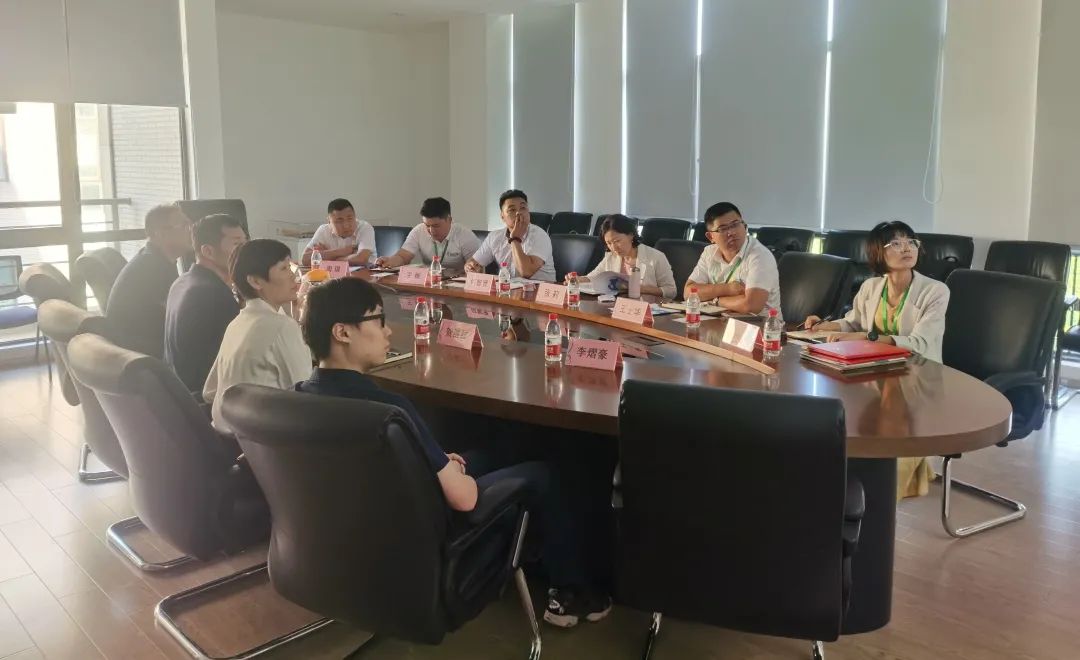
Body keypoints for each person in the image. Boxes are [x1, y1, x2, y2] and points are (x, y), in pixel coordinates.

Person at [296, 277, 610, 628]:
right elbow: (464, 499)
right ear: (342, 332)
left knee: (497, 449)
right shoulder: (390, 411)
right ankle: (574, 590)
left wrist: (440, 462)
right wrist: (454, 474)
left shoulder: (301, 398)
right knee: (545, 472)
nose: (388, 332)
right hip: (429, 535)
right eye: (378, 320)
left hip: (362, 530)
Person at [804, 220, 950, 498]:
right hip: (876, 375)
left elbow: (918, 344)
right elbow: (853, 322)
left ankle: (879, 497)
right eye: (896, 243)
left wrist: (867, 337)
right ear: (878, 253)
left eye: (911, 242)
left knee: (889, 447)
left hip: (915, 376)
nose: (906, 248)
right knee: (845, 431)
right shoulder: (872, 286)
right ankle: (847, 492)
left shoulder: (935, 291)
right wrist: (823, 325)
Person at [204, 239, 312, 433]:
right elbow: (308, 401)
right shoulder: (281, 327)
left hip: (225, 435)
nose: (293, 275)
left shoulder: (237, 323)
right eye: (284, 268)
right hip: (260, 442)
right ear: (255, 281)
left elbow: (210, 392)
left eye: (291, 267)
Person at [164, 214, 247, 394]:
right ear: (208, 251)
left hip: (182, 391)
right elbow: (242, 355)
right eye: (237, 244)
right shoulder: (213, 294)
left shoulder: (183, 281)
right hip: (210, 398)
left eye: (245, 242)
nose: (246, 251)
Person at [106, 203, 193, 358]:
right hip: (143, 355)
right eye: (184, 226)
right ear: (161, 234)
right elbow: (177, 317)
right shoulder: (152, 268)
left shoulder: (155, 259)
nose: (191, 230)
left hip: (142, 346)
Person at [684, 202, 781, 316]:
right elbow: (688, 293)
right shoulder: (709, 252)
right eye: (723, 229)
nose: (731, 232)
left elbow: (751, 306)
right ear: (711, 237)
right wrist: (728, 289)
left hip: (761, 325)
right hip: (720, 321)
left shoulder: (759, 255)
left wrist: (715, 301)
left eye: (735, 225)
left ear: (744, 226)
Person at [464, 189, 556, 282]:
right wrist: (470, 267)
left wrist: (515, 239)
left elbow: (526, 272)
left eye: (523, 208)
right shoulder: (494, 237)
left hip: (539, 289)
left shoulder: (540, 235)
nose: (518, 213)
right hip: (508, 289)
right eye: (512, 210)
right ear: (502, 216)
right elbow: (474, 262)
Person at [579, 214, 677, 299]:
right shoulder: (610, 256)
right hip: (616, 306)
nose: (614, 247)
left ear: (631, 235)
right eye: (609, 243)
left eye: (617, 241)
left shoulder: (656, 257)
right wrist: (576, 279)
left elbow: (671, 291)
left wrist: (638, 288)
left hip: (647, 308)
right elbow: (592, 277)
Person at [374, 197, 480, 272]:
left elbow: (477, 266)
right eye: (427, 225)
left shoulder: (464, 235)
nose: (431, 231)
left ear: (449, 220)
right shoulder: (419, 230)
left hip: (457, 285)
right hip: (429, 282)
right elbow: (403, 257)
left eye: (436, 226)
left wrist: (471, 267)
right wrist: (389, 261)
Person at [301, 198, 377, 267]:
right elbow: (305, 259)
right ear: (329, 221)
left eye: (350, 218)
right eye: (339, 221)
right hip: (332, 276)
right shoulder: (323, 230)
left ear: (355, 216)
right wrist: (342, 251)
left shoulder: (364, 228)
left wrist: (326, 256)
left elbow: (361, 259)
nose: (346, 226)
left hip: (364, 275)